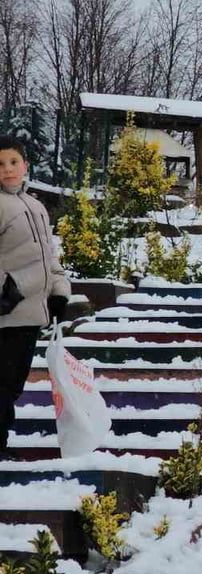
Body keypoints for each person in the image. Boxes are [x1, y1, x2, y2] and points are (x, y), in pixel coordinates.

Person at [0, 136, 70, 462]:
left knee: (11, 387)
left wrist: (58, 293)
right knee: (2, 387)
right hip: (6, 312)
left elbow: (48, 258)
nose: (7, 170)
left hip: (30, 315)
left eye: (13, 162)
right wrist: (6, 289)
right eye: (0, 165)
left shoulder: (36, 207)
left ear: (25, 165)